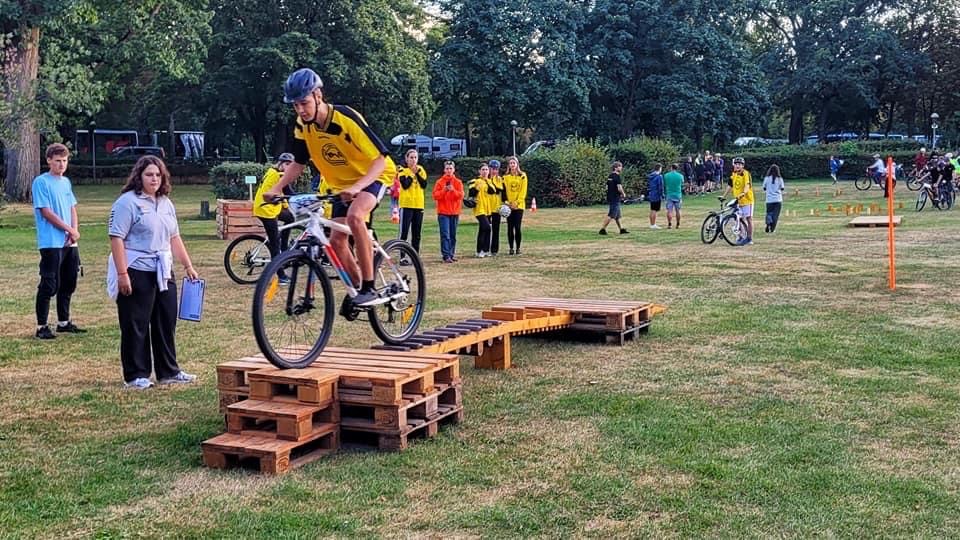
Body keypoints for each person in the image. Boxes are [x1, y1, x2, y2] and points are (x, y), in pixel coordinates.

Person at [265, 68, 397, 308]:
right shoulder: (302, 126)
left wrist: (358, 187)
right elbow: (298, 163)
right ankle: (359, 293)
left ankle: (369, 287)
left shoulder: (345, 118)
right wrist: (277, 188)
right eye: (295, 106)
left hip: (373, 176)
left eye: (303, 103)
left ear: (318, 95)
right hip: (341, 186)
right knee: (337, 241)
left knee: (356, 216)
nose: (300, 110)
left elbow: (380, 159)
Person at [107, 156, 198, 389]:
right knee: (136, 323)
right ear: (139, 176)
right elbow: (116, 238)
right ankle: (136, 374)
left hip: (163, 269)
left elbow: (174, 237)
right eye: (149, 174)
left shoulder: (166, 203)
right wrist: (122, 273)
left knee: (165, 321)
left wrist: (187, 265)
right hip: (136, 267)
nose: (154, 179)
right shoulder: (127, 203)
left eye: (158, 175)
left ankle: (168, 371)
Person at [32, 143, 85, 339]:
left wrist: (74, 232)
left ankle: (64, 322)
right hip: (51, 242)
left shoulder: (66, 182)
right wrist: (68, 229)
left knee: (69, 282)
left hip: (69, 242)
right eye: (57, 161)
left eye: (64, 161)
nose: (61, 165)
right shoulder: (41, 182)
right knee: (49, 284)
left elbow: (72, 208)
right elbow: (46, 212)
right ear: (48, 161)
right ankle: (42, 326)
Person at [253, 153, 296, 282]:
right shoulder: (279, 175)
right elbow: (289, 192)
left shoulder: (273, 171)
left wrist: (286, 206)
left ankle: (284, 246)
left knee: (290, 218)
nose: (289, 167)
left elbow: (282, 193)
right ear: (281, 164)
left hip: (270, 207)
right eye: (287, 164)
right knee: (274, 243)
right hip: (266, 210)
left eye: (291, 165)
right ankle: (281, 275)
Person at [396, 149, 427, 254]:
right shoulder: (402, 170)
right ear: (406, 158)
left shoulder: (421, 169)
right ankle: (403, 256)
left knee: (416, 233)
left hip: (418, 204)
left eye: (415, 157)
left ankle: (415, 255)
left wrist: (417, 173)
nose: (413, 160)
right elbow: (405, 185)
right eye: (411, 157)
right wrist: (412, 174)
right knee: (404, 232)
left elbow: (424, 184)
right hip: (406, 204)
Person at [433, 160, 463, 263]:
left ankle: (451, 253)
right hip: (443, 212)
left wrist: (453, 190)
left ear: (454, 170)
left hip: (454, 212)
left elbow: (460, 196)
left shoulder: (458, 182)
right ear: (444, 170)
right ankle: (446, 255)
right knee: (445, 234)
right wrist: (444, 190)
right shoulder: (439, 182)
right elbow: (435, 196)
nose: (449, 170)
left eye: (450, 168)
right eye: (447, 168)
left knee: (453, 234)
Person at [725, 157, 755, 245]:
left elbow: (747, 185)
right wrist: (723, 196)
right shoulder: (734, 174)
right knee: (739, 219)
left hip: (747, 200)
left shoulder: (746, 174)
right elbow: (729, 186)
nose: (737, 166)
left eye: (739, 164)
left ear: (742, 166)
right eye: (736, 164)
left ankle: (749, 238)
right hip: (738, 200)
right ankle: (741, 236)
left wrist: (743, 193)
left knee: (749, 219)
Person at [503, 156, 528, 254]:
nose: (512, 165)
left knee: (517, 227)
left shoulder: (522, 176)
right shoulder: (505, 177)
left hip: (519, 206)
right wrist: (507, 202)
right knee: (510, 227)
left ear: (517, 164)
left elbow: (523, 191)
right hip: (509, 206)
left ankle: (518, 248)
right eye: (510, 163)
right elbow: (504, 191)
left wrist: (517, 202)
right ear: (509, 165)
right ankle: (511, 248)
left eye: (514, 163)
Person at [468, 163, 493, 257]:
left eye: (486, 169)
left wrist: (487, 182)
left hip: (488, 208)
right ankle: (480, 250)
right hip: (479, 208)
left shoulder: (489, 181)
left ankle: (484, 250)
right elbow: (471, 193)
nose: (485, 171)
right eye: (483, 169)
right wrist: (477, 188)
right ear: (479, 171)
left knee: (483, 229)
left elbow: (493, 191)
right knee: (487, 227)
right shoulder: (475, 181)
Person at [599, 161, 628, 235]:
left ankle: (621, 229)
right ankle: (602, 229)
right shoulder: (617, 176)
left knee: (617, 215)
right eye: (620, 166)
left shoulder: (610, 176)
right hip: (615, 198)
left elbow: (606, 187)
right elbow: (619, 188)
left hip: (610, 196)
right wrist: (623, 194)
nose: (621, 168)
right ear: (616, 168)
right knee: (611, 214)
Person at [486, 159, 506, 255]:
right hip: (487, 208)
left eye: (496, 169)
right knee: (486, 229)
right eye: (492, 168)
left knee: (496, 230)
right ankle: (485, 249)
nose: (494, 171)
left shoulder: (500, 179)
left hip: (496, 208)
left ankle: (494, 250)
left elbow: (500, 190)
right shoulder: (485, 179)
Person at [762, 164, 785, 233]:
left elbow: (764, 188)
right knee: (775, 215)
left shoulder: (767, 178)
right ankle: (772, 229)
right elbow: (782, 188)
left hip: (769, 200)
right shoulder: (780, 179)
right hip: (778, 199)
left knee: (769, 213)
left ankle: (768, 222)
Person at [663, 163, 684, 229]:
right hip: (678, 194)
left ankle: (669, 224)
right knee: (678, 210)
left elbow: (665, 183)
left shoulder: (666, 175)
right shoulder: (680, 176)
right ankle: (678, 224)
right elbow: (682, 184)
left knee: (669, 210)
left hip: (669, 194)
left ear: (671, 167)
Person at [647, 164, 664, 229]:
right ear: (660, 168)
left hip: (651, 194)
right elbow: (660, 186)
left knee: (652, 209)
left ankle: (651, 223)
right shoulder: (659, 176)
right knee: (655, 210)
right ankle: (653, 224)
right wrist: (662, 195)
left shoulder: (650, 176)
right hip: (656, 195)